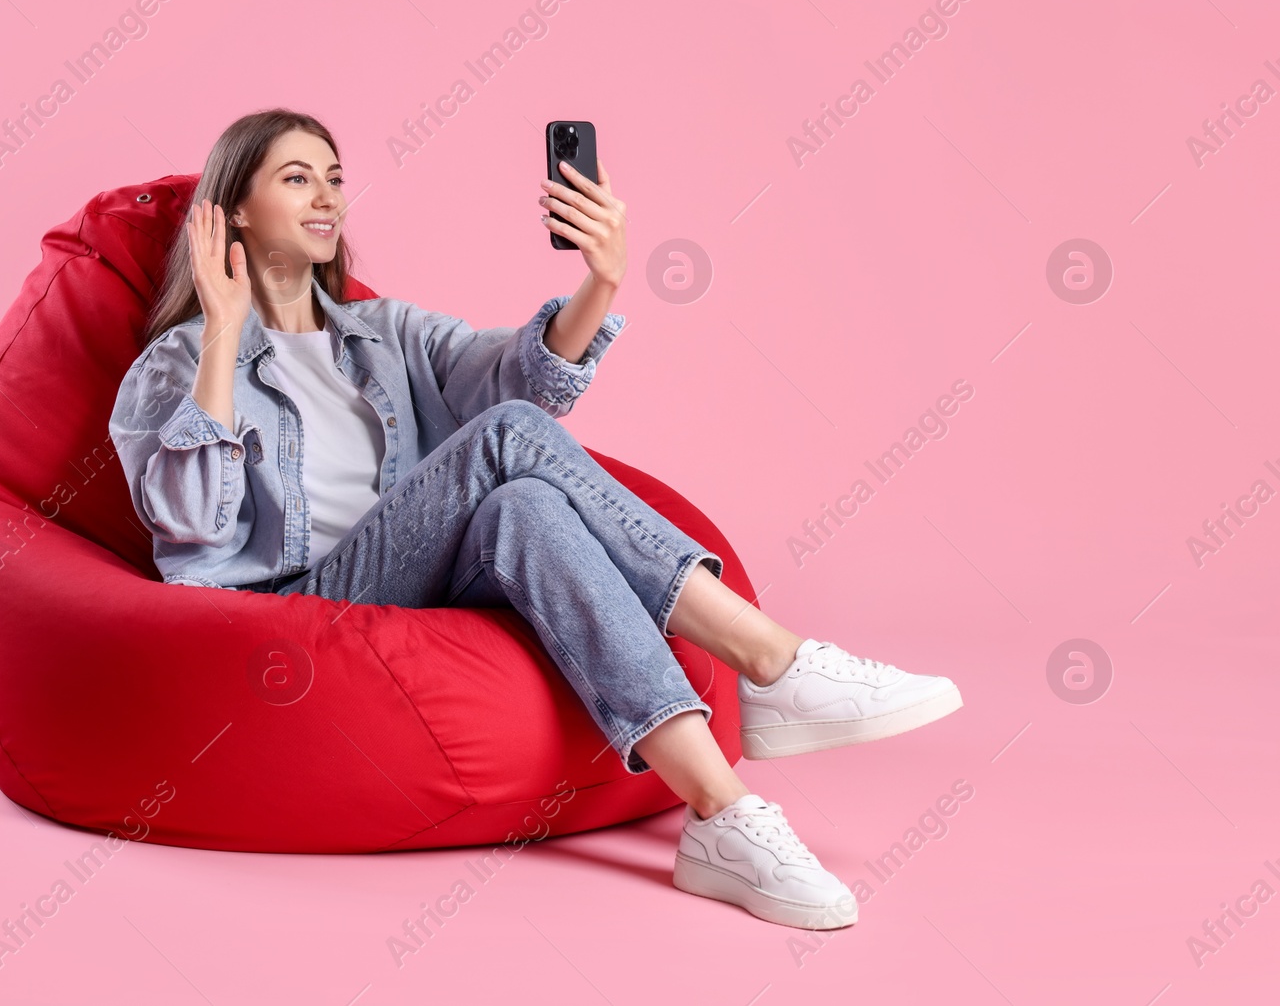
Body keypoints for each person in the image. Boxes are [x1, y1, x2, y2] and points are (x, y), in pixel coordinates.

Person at [109, 108, 962, 931]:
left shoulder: (382, 334)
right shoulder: (175, 362)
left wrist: (602, 279)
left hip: (413, 582)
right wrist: (222, 331)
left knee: (524, 496)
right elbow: (191, 529)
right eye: (298, 179)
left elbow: (517, 380)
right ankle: (773, 661)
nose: (329, 196)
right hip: (295, 605)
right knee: (510, 443)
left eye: (335, 177)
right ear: (234, 214)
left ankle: (722, 815)